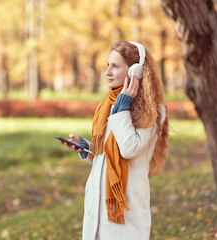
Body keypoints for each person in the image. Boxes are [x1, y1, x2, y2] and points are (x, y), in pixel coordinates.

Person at [59, 41, 169, 240]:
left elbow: (128, 149)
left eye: (115, 66)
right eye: (108, 65)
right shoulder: (109, 104)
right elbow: (109, 155)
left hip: (126, 215)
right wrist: (88, 149)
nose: (107, 72)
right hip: (97, 211)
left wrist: (123, 106)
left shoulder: (152, 111)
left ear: (136, 71)